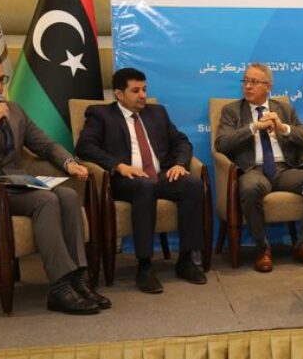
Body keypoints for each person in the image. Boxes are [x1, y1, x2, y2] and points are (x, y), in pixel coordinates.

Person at [0, 50, 110, 315]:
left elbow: (44, 144)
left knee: (68, 195)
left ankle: (78, 278)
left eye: (1, 80)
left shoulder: (14, 109)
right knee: (45, 200)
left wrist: (68, 163)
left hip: (18, 182)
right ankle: (59, 287)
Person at [76, 68, 207, 293]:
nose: (143, 95)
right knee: (144, 186)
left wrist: (180, 164)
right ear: (119, 94)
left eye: (145, 89)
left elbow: (181, 142)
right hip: (125, 180)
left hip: (159, 175)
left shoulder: (158, 113)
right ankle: (145, 266)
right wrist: (119, 165)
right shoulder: (101, 114)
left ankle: (186, 260)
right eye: (136, 91)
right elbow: (85, 147)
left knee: (193, 184)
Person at [215, 63, 303, 273]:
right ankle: (262, 248)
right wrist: (253, 128)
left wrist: (284, 128)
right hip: (253, 170)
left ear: (268, 86)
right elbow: (221, 144)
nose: (248, 86)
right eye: (245, 81)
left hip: (284, 170)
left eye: (254, 82)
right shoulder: (232, 111)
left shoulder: (284, 109)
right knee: (249, 188)